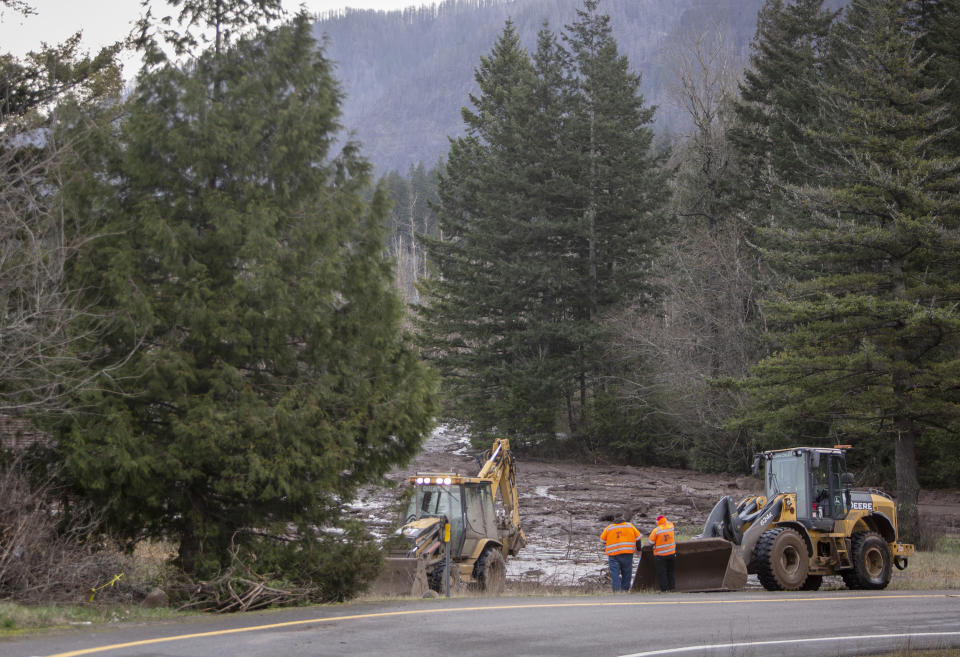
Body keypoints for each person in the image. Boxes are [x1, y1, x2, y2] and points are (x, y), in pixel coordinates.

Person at [600, 512, 641, 593]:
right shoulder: (630, 526)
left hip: (613, 554)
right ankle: (625, 590)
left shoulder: (609, 528)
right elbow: (638, 538)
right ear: (623, 517)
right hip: (627, 552)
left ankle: (616, 590)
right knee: (627, 572)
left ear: (614, 518)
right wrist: (639, 549)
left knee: (614, 573)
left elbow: (602, 541)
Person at [649, 514, 676, 592]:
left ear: (658, 522)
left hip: (660, 556)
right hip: (671, 554)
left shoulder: (656, 530)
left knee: (662, 573)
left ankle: (664, 589)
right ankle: (672, 587)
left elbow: (650, 542)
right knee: (670, 572)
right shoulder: (671, 527)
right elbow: (669, 522)